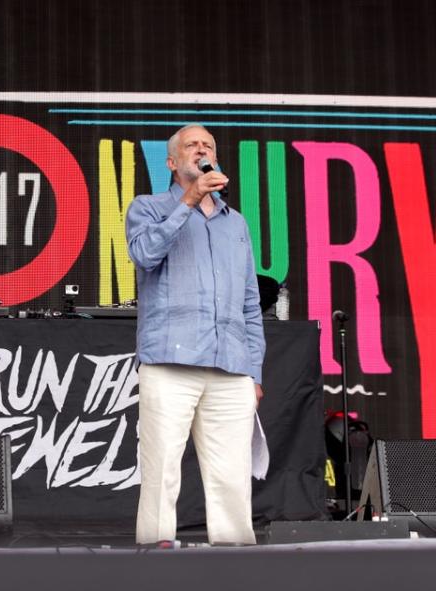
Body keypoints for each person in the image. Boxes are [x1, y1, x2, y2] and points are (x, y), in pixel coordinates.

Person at [125, 124, 266, 545]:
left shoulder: (234, 222)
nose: (201, 149)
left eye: (208, 145)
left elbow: (249, 301)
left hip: (231, 366)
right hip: (171, 362)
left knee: (232, 479)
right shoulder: (148, 207)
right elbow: (145, 254)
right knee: (161, 472)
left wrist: (253, 369)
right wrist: (189, 200)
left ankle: (236, 565)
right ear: (172, 162)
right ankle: (153, 561)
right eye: (191, 146)